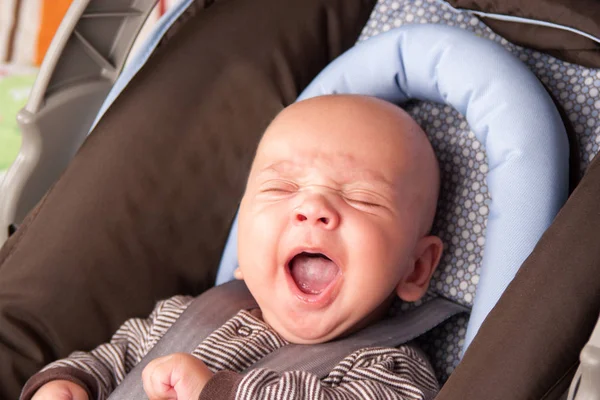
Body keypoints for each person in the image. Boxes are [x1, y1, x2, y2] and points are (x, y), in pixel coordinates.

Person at [21, 94, 444, 400]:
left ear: (416, 268)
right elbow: (111, 360)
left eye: (361, 198)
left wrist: (219, 393)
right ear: (243, 245)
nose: (313, 207)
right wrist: (70, 383)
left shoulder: (392, 373)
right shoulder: (179, 317)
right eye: (282, 188)